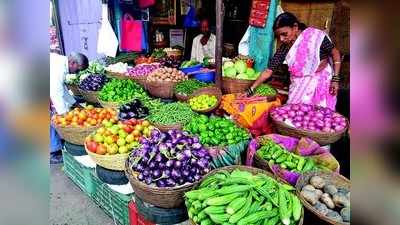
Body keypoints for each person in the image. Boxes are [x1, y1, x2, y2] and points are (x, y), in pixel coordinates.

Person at [246, 12, 341, 110]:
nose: (282, 39)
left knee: (317, 116)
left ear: (295, 27)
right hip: (298, 85)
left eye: (284, 34)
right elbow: (269, 71)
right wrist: (251, 89)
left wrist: (335, 79)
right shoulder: (285, 48)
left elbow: (335, 53)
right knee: (294, 113)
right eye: (279, 36)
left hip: (320, 82)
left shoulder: (315, 36)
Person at [50, 52, 88, 164]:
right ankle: (53, 153)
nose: (78, 73)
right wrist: (66, 116)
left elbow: (62, 89)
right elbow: (56, 93)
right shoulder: (59, 68)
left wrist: (75, 104)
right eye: (79, 69)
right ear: (73, 63)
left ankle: (55, 144)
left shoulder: (62, 64)